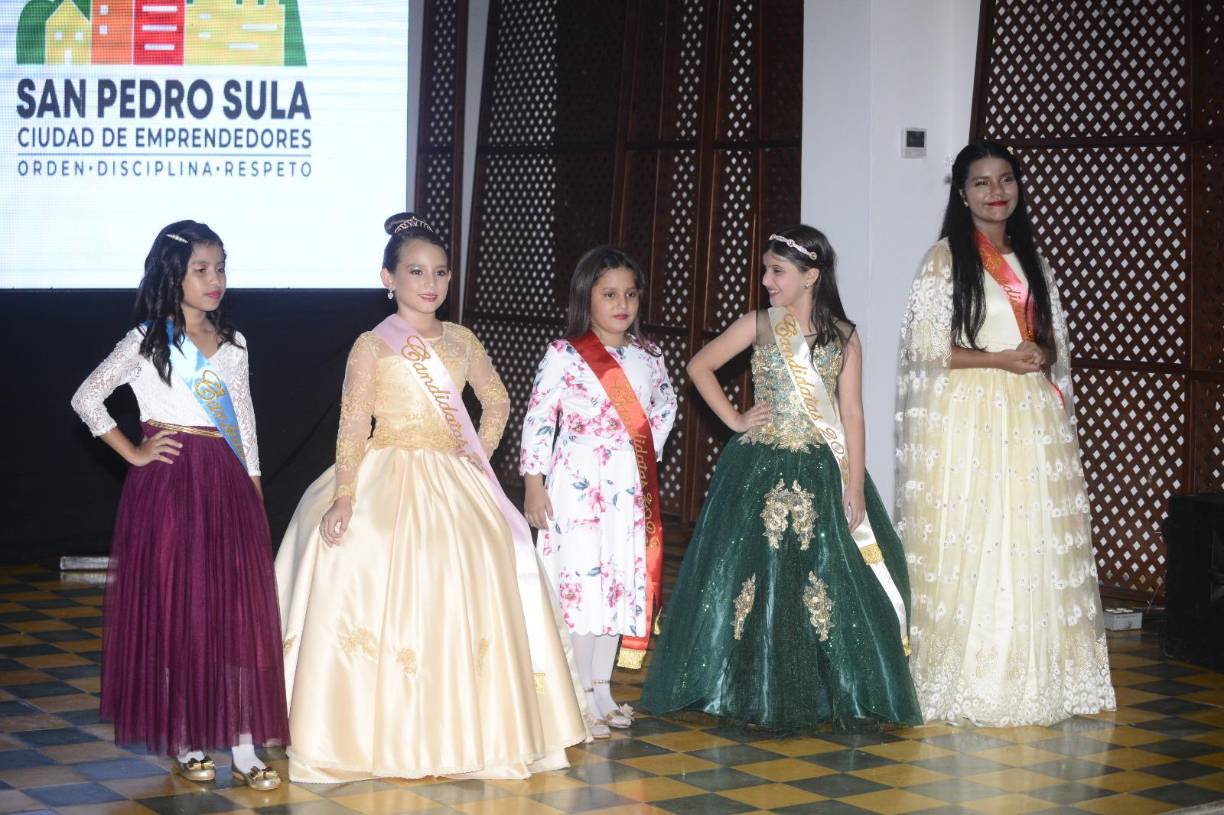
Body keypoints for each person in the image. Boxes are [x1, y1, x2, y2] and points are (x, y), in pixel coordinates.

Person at [275, 213, 587, 782]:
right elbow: (351, 424)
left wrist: (474, 455)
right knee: (363, 563)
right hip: (384, 469)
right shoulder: (372, 345)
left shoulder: (462, 340)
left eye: (440, 272)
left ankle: (473, 733)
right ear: (387, 278)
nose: (431, 282)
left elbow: (496, 403)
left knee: (476, 572)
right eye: (416, 271)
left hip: (452, 477)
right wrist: (344, 494)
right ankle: (363, 734)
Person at [640, 226, 921, 730]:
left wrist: (853, 483)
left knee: (827, 579)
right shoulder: (759, 323)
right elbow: (700, 366)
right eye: (766, 270)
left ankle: (836, 689)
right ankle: (745, 685)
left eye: (778, 271)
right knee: (751, 577)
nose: (767, 280)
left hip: (820, 467)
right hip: (760, 466)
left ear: (811, 276)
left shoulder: (845, 335)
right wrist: (734, 419)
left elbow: (851, 412)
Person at [896, 141, 1116, 725]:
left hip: (1029, 416)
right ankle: (967, 678)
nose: (996, 192)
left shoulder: (1033, 262)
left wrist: (1039, 352)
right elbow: (926, 349)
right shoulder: (945, 259)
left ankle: (1037, 676)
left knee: (1028, 534)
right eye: (981, 183)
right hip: (969, 419)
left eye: (1005, 180)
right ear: (962, 193)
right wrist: (998, 360)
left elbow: (1054, 346)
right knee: (978, 529)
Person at [70, 221, 287, 790]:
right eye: (201, 269)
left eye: (221, 268)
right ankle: (188, 740)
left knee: (236, 616)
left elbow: (245, 423)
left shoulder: (235, 343)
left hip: (227, 482)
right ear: (174, 276)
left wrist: (255, 491)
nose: (215, 280)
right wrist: (134, 451)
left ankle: (243, 744)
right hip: (169, 487)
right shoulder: (147, 340)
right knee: (183, 613)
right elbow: (87, 397)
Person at [520, 246, 677, 738]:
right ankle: (576, 693)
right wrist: (533, 481)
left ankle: (602, 688)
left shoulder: (649, 355)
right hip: (577, 487)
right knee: (582, 587)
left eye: (630, 293)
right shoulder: (564, 353)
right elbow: (540, 417)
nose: (621, 303)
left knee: (617, 588)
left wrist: (640, 455)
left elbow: (665, 406)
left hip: (628, 490)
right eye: (609, 294)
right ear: (586, 297)